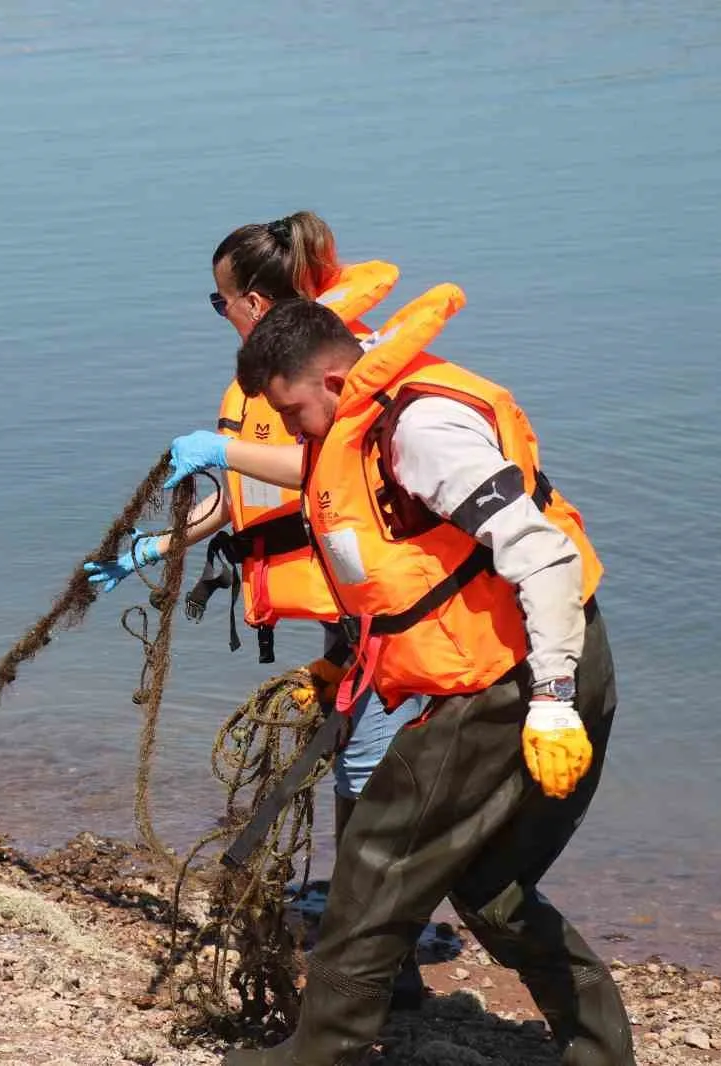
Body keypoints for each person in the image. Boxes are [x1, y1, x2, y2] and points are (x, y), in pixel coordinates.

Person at [161, 292, 636, 1066]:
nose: (288, 430)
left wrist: (551, 701)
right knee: (489, 889)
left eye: (290, 410)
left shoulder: (423, 431)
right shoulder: (358, 424)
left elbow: (543, 556)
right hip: (518, 668)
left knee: (377, 859)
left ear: (337, 381)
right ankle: (601, 1055)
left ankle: (319, 1056)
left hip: (524, 675)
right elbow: (404, 581)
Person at [83, 212, 432, 1006]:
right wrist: (149, 551)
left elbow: (318, 466)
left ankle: (385, 954)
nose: (221, 316)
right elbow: (256, 499)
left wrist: (220, 447)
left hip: (386, 606)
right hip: (350, 610)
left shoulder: (322, 368)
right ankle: (373, 938)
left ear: (257, 301)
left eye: (221, 302)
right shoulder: (275, 371)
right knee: (357, 764)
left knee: (367, 767)